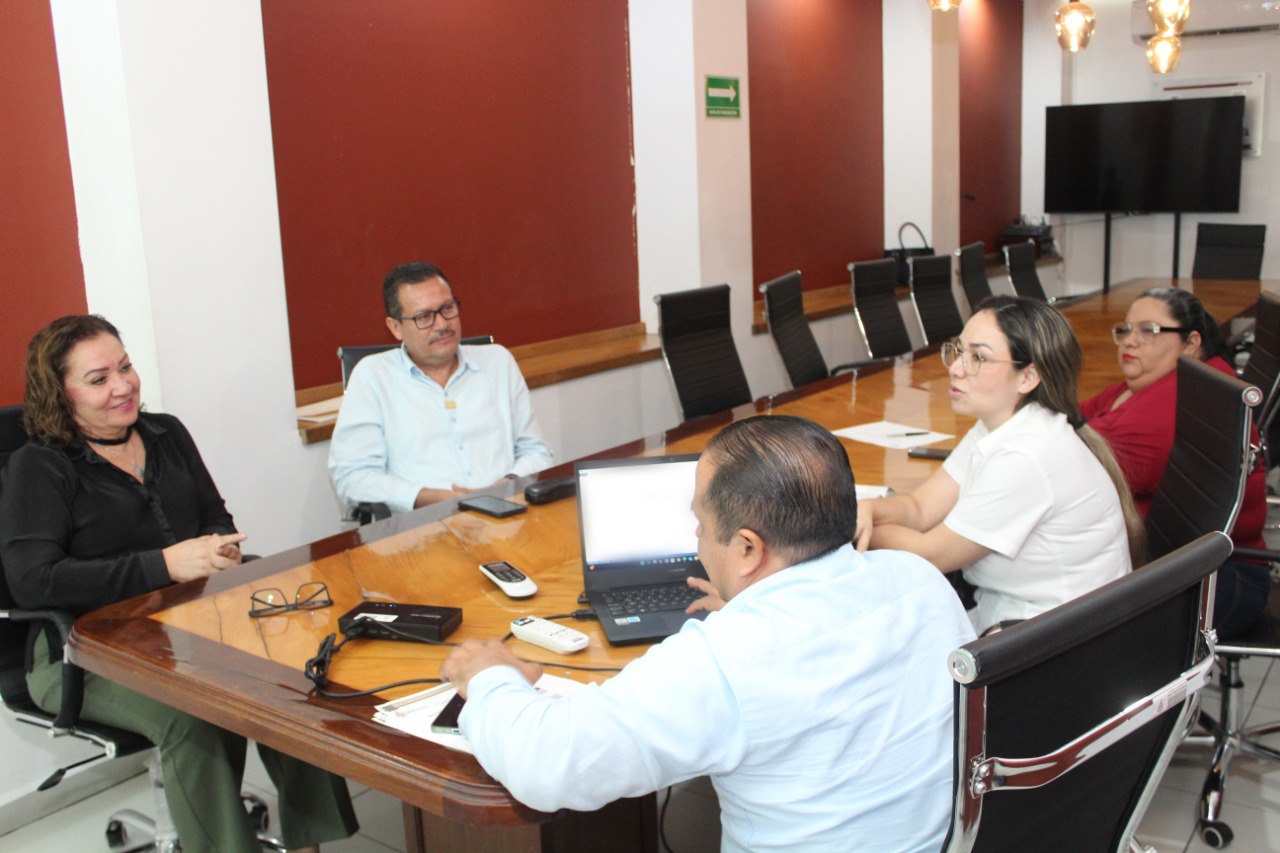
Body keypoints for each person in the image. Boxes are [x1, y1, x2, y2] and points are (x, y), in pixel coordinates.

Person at [441, 415, 974, 852]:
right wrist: (754, 601)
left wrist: (488, 677)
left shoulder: (724, 658)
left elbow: (549, 766)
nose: (696, 541)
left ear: (748, 549)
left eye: (698, 524)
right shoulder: (919, 579)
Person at [0, 316, 358, 853]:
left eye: (125, 366)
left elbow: (214, 515)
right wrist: (165, 564)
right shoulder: (41, 466)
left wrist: (219, 547)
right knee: (197, 716)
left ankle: (312, 842)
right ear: (60, 393)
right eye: (98, 379)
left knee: (291, 675)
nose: (123, 385)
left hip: (191, 627)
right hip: (83, 650)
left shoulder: (166, 433)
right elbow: (33, 582)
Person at [856, 296, 1143, 635]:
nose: (956, 368)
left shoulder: (1027, 456)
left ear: (1027, 377)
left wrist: (855, 524)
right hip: (1021, 620)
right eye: (959, 350)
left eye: (978, 357)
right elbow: (919, 508)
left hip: (1059, 645)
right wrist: (869, 509)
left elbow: (927, 556)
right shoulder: (1002, 424)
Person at [1081, 287, 1268, 638]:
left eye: (1148, 331)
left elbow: (1080, 472)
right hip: (1185, 565)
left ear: (1191, 342)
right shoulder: (1156, 381)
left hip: (1220, 581)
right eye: (1125, 330)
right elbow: (1079, 418)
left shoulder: (1172, 404)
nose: (1129, 342)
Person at [328, 262, 552, 514]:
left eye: (447, 308)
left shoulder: (497, 361)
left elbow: (536, 452)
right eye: (424, 317)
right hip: (423, 529)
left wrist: (507, 484)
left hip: (509, 514)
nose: (442, 324)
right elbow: (352, 477)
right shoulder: (372, 377)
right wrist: (428, 498)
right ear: (395, 328)